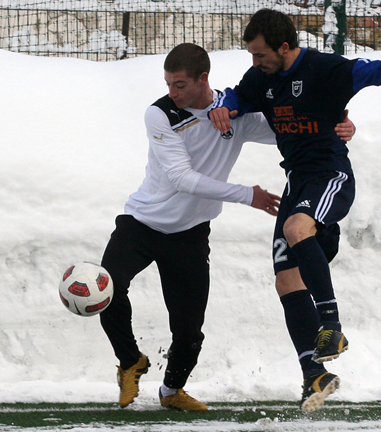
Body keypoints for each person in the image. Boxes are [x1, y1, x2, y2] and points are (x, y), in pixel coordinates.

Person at [100, 43, 356, 412]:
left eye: (180, 84)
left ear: (203, 78)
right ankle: (130, 361)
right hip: (141, 223)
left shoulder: (233, 113)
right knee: (107, 288)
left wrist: (338, 125)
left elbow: (292, 127)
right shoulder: (160, 114)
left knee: (189, 332)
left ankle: (171, 391)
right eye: (169, 84)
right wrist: (246, 195)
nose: (172, 92)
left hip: (190, 234)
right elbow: (181, 177)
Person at [209, 8, 381, 412]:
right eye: (251, 57)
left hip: (330, 175)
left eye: (260, 55)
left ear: (283, 46)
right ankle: (315, 374)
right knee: (286, 281)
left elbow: (373, 72)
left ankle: (332, 326)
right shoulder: (262, 77)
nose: (254, 63)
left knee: (297, 228)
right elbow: (237, 96)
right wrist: (223, 105)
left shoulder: (324, 69)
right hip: (297, 181)